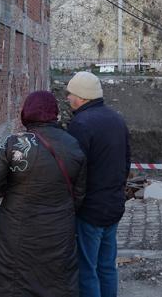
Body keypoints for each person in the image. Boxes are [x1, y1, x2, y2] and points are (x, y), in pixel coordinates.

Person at [0, 91, 87, 297]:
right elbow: (78, 197)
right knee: (56, 285)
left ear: (26, 112)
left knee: (10, 285)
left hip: (15, 236)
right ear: (55, 113)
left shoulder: (14, 143)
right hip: (59, 235)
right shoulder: (73, 144)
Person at [66, 72, 131, 297]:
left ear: (82, 97)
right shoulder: (117, 119)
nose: (67, 98)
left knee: (86, 268)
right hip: (113, 205)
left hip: (90, 209)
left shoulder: (80, 124)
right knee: (106, 266)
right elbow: (126, 162)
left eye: (71, 94)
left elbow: (75, 170)